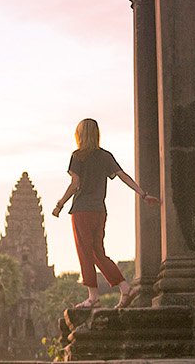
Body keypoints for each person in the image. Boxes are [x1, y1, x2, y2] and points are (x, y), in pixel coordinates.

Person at [51, 117, 159, 309]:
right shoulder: (105, 156)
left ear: (80, 135)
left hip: (82, 210)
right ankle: (125, 288)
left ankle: (93, 297)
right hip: (100, 211)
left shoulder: (78, 156)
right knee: (98, 252)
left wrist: (59, 204)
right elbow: (123, 176)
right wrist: (143, 194)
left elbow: (75, 184)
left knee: (86, 252)